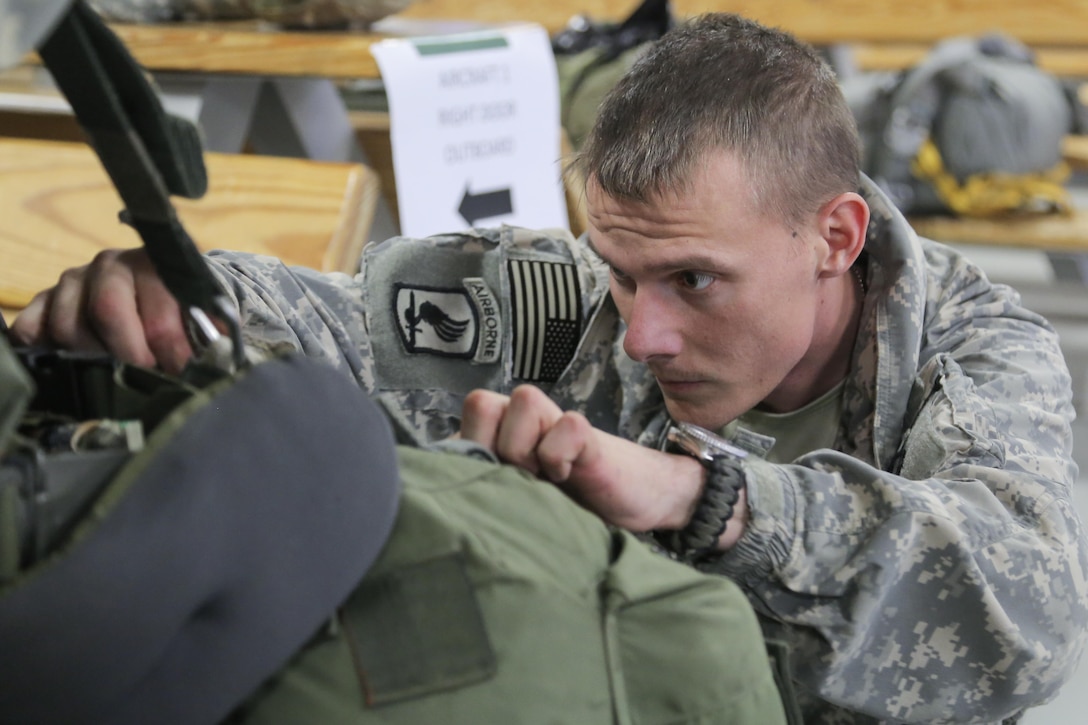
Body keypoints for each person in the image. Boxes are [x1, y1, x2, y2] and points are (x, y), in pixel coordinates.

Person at [11, 12, 1088, 724]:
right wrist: (185, 298)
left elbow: (1022, 609)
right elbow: (342, 314)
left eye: (695, 281)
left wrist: (702, 496)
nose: (643, 333)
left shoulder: (973, 347)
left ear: (835, 237)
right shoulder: (569, 297)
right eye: (623, 271)